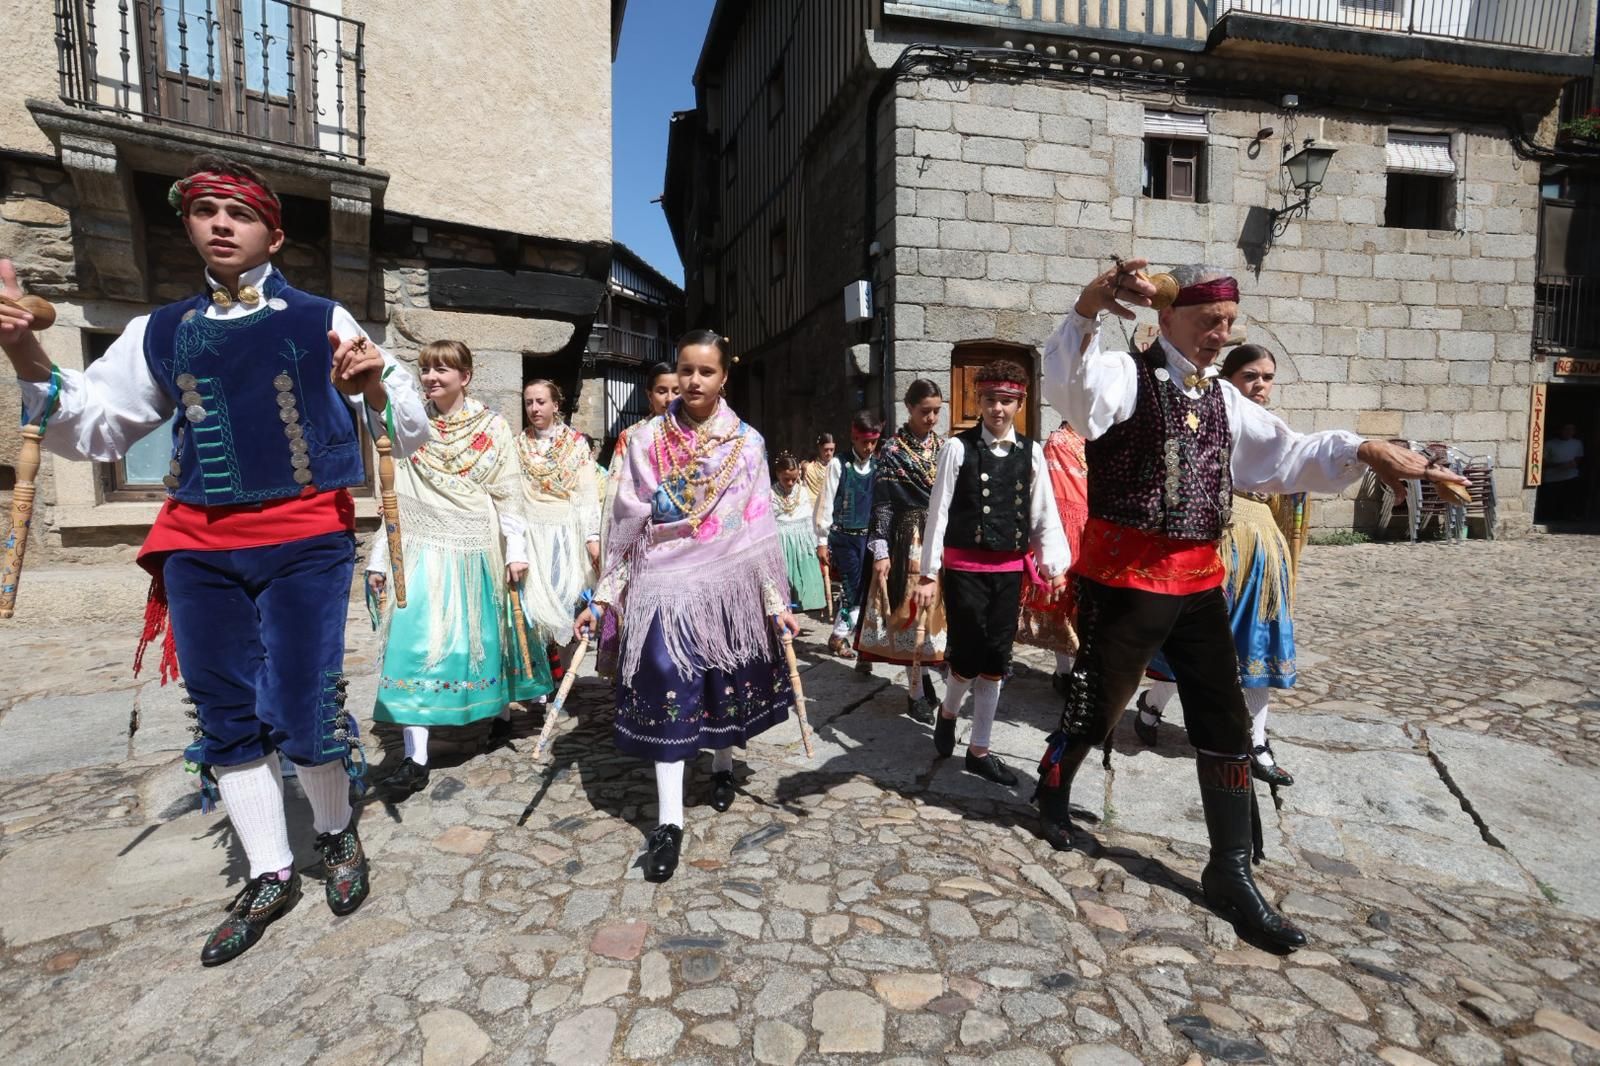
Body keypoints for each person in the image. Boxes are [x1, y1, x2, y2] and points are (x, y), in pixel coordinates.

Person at [0, 155, 431, 965]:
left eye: (238, 212)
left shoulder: (325, 316)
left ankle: (336, 835)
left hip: (305, 539)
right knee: (224, 711)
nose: (220, 224)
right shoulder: (157, 331)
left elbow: (408, 429)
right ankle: (269, 869)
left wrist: (372, 385)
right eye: (205, 211)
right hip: (198, 544)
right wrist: (26, 352)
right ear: (190, 227)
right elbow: (93, 427)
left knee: (303, 702)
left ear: (274, 231)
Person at [1031, 259, 1467, 951]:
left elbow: (1286, 456)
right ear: (1167, 317)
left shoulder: (1225, 401)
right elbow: (1071, 392)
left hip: (1201, 579)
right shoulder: (1123, 375)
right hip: (1127, 578)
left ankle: (1228, 868)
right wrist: (1088, 305)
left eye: (1229, 324)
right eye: (1209, 322)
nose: (1220, 336)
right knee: (1097, 705)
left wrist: (1365, 446)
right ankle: (1053, 786)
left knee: (1224, 717)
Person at [576, 329, 798, 883]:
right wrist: (604, 597)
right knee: (668, 684)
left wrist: (776, 603)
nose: (693, 381)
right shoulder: (647, 439)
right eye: (686, 370)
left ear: (725, 377)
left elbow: (758, 523)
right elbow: (627, 524)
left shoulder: (747, 444)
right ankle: (669, 821)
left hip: (728, 581)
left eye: (705, 371)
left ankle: (722, 763)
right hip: (662, 585)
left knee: (722, 682)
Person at [366, 341, 549, 798]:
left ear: (465, 377)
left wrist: (516, 550)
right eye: (426, 369)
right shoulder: (409, 425)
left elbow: (508, 493)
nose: (431, 377)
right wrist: (379, 558)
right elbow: (393, 494)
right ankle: (414, 758)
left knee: (483, 640)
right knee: (410, 641)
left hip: (472, 546)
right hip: (420, 542)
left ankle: (497, 714)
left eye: (443, 369)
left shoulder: (493, 428)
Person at [1134, 345, 1298, 788]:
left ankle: (1257, 742)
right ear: (1228, 380)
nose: (1260, 385)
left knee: (1257, 646)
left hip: (1263, 555)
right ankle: (1152, 703)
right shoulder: (1208, 423)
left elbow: (1287, 497)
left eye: (1267, 376)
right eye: (1250, 376)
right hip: (1217, 551)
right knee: (1198, 646)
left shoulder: (1275, 434)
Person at [912, 361, 1069, 786]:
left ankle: (979, 748)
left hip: (1008, 572)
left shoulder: (1031, 452)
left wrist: (1053, 566)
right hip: (964, 570)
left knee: (998, 656)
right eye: (990, 400)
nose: (997, 408)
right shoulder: (957, 449)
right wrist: (929, 573)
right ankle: (949, 710)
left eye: (1006, 401)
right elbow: (938, 512)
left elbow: (1042, 513)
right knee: (968, 652)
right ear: (977, 401)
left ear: (1019, 403)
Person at [856, 379, 947, 720]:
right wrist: (880, 551)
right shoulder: (892, 452)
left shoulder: (945, 446)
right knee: (913, 615)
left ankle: (925, 675)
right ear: (909, 408)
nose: (932, 418)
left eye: (937, 411)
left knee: (939, 616)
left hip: (940, 537)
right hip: (908, 540)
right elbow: (882, 505)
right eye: (926, 411)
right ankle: (916, 689)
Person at [511, 379, 601, 704]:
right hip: (531, 532)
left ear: (555, 405)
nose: (534, 408)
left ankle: (560, 682)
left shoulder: (575, 444)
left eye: (540, 402)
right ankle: (543, 682)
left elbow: (588, 494)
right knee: (534, 608)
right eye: (529, 402)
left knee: (564, 605)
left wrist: (592, 538)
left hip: (565, 532)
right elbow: (511, 494)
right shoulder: (517, 445)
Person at [597, 363, 681, 678]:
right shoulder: (631, 437)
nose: (669, 397)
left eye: (675, 390)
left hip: (684, 546)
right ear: (649, 395)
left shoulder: (695, 437)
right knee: (640, 623)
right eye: (661, 390)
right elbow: (616, 500)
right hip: (641, 546)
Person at [1016, 419, 1090, 695]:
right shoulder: (1057, 442)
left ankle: (1076, 667)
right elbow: (1048, 496)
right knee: (1062, 599)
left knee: (1083, 605)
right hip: (1065, 529)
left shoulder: (1095, 436)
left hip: (1093, 529)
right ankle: (1063, 670)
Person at [816, 412, 882, 658]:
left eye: (873, 442)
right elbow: (825, 503)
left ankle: (859, 641)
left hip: (869, 538)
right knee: (851, 588)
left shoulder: (877, 466)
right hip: (843, 537)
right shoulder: (839, 464)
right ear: (854, 438)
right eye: (864, 441)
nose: (868, 447)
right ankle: (839, 636)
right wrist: (822, 540)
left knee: (868, 590)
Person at [771, 451, 827, 613]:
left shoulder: (801, 492)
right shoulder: (770, 494)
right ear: (777, 474)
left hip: (802, 538)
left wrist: (817, 542)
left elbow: (809, 516)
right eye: (785, 479)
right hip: (781, 539)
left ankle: (806, 602)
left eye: (794, 479)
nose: (790, 483)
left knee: (806, 573)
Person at [1539, 422, 1585, 522]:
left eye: (1572, 429)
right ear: (1561, 430)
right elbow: (1542, 462)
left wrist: (1573, 464)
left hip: (1571, 476)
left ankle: (1568, 519)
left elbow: (1579, 458)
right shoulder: (1549, 444)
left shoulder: (1577, 443)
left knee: (1570, 500)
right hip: (1552, 478)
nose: (1569, 432)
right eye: (1566, 429)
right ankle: (1550, 519)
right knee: (1552, 502)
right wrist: (1560, 465)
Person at [800, 433, 835, 504]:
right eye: (826, 450)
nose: (829, 453)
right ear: (819, 448)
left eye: (832, 450)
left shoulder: (838, 467)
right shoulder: (808, 468)